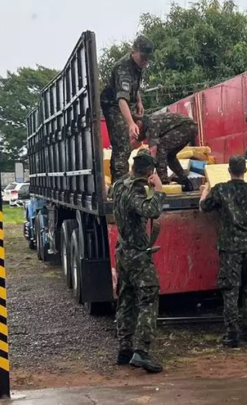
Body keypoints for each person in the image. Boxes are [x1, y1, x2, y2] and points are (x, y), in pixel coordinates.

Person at [199, 155, 247, 347]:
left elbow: (204, 207)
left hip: (229, 247)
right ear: (245, 171)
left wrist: (206, 189)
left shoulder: (220, 189)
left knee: (230, 290)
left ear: (229, 171)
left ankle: (231, 333)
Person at [110, 149, 165, 373]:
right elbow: (150, 210)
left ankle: (124, 348)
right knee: (148, 299)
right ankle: (141, 351)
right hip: (138, 254)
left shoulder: (119, 184)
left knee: (126, 299)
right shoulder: (135, 191)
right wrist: (158, 190)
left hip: (123, 252)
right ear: (149, 171)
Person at [100, 35, 153, 182]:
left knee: (148, 123)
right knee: (121, 142)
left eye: (148, 59)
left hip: (128, 102)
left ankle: (133, 163)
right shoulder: (122, 68)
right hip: (113, 104)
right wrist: (130, 123)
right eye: (143, 58)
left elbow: (134, 87)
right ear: (133, 51)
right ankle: (119, 185)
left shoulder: (139, 65)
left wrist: (139, 102)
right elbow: (121, 99)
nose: (145, 62)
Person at [145, 112, 198, 190]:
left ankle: (164, 183)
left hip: (186, 126)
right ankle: (186, 182)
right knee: (170, 156)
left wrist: (152, 167)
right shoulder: (144, 124)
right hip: (188, 127)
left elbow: (154, 148)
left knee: (161, 147)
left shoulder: (150, 123)